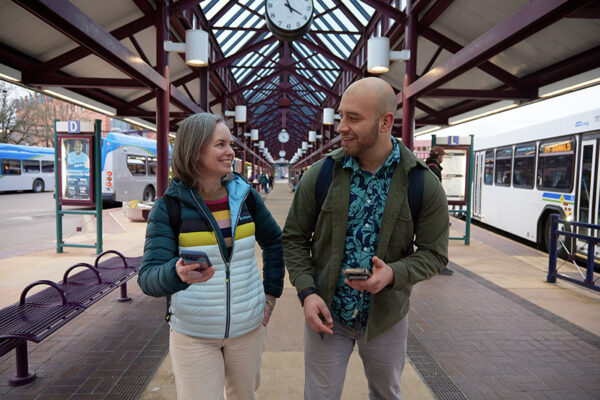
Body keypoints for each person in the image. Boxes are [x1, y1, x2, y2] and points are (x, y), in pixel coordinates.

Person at [282, 77, 449, 400]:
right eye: (341, 115)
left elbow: (434, 254)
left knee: (386, 394)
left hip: (386, 317)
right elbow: (294, 237)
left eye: (353, 118)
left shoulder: (422, 184)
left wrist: (393, 274)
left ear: (386, 122)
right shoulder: (321, 175)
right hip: (327, 313)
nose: (341, 126)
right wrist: (307, 293)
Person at [138, 113, 285, 400]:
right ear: (195, 150)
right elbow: (148, 278)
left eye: (230, 144)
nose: (231, 151)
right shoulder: (168, 208)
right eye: (221, 144)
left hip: (248, 329)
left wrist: (270, 296)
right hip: (194, 333)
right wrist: (175, 273)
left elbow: (274, 242)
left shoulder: (246, 197)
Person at [426, 145, 453, 275]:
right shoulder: (434, 170)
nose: (443, 158)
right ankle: (438, 265)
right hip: (433, 209)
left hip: (427, 209)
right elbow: (435, 193)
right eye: (442, 155)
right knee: (438, 238)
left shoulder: (427, 167)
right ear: (438, 156)